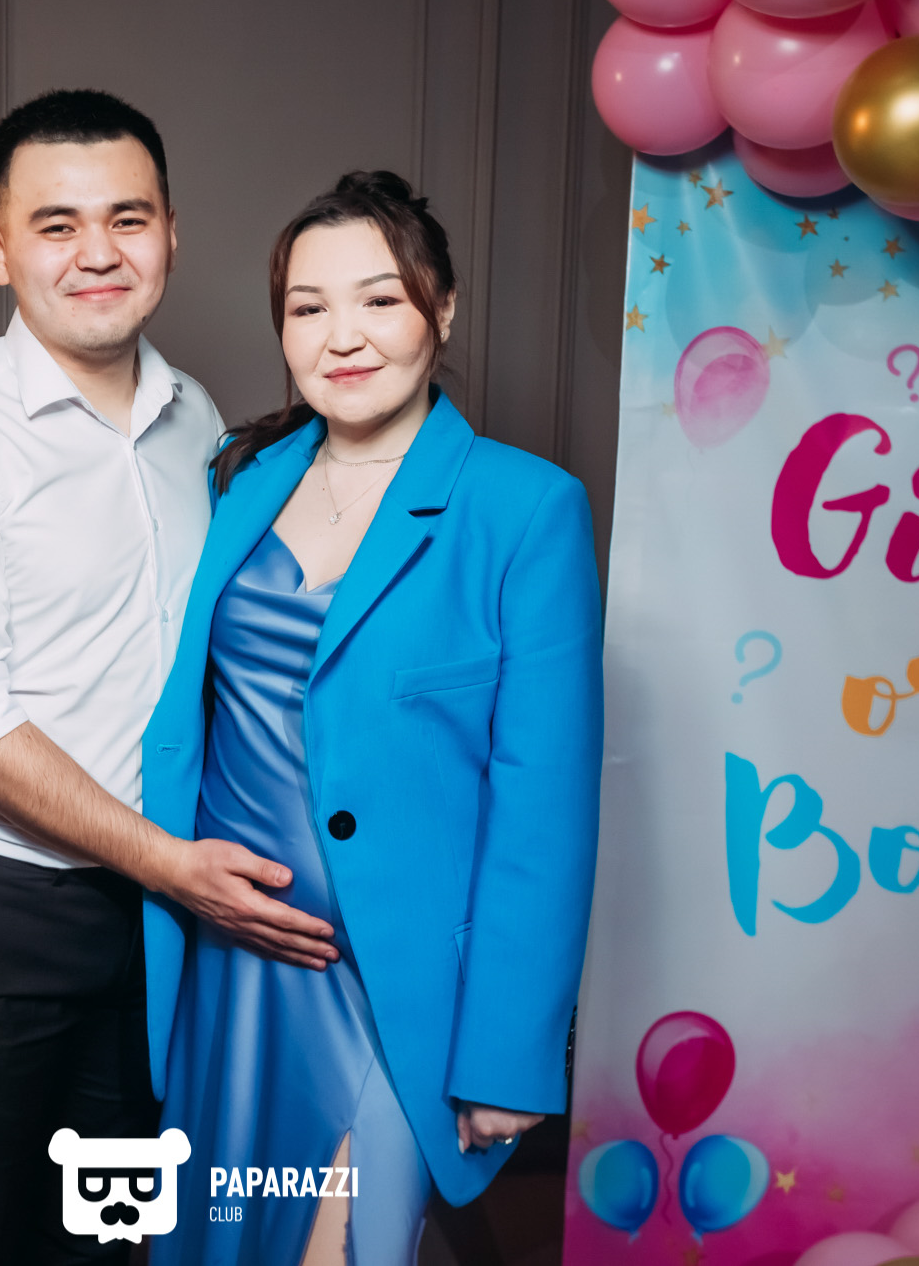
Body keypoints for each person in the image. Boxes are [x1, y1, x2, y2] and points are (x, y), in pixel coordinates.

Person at [0, 89, 341, 1264]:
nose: (96, 253)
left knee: (110, 1233)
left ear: (170, 234)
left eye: (126, 218)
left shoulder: (197, 418)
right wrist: (171, 864)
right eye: (55, 224)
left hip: (158, 915)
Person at [143, 171, 604, 1264]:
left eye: (379, 299)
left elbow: (544, 808)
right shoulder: (240, 479)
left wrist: (506, 1054)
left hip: (390, 987)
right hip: (228, 965)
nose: (341, 336)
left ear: (442, 309)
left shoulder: (525, 508)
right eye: (308, 307)